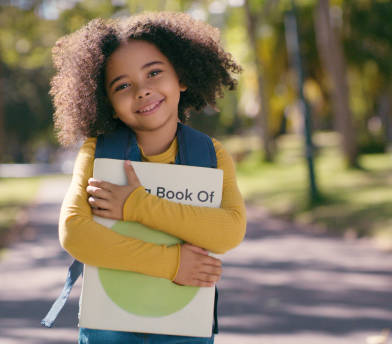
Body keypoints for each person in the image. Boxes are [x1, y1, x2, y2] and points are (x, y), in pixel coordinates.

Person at [50, 12, 246, 344]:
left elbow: (229, 231)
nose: (142, 90)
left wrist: (137, 205)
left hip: (185, 327)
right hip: (109, 327)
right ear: (108, 103)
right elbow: (74, 232)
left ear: (181, 78)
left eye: (154, 72)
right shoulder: (96, 153)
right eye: (122, 85)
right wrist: (173, 264)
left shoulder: (211, 155)